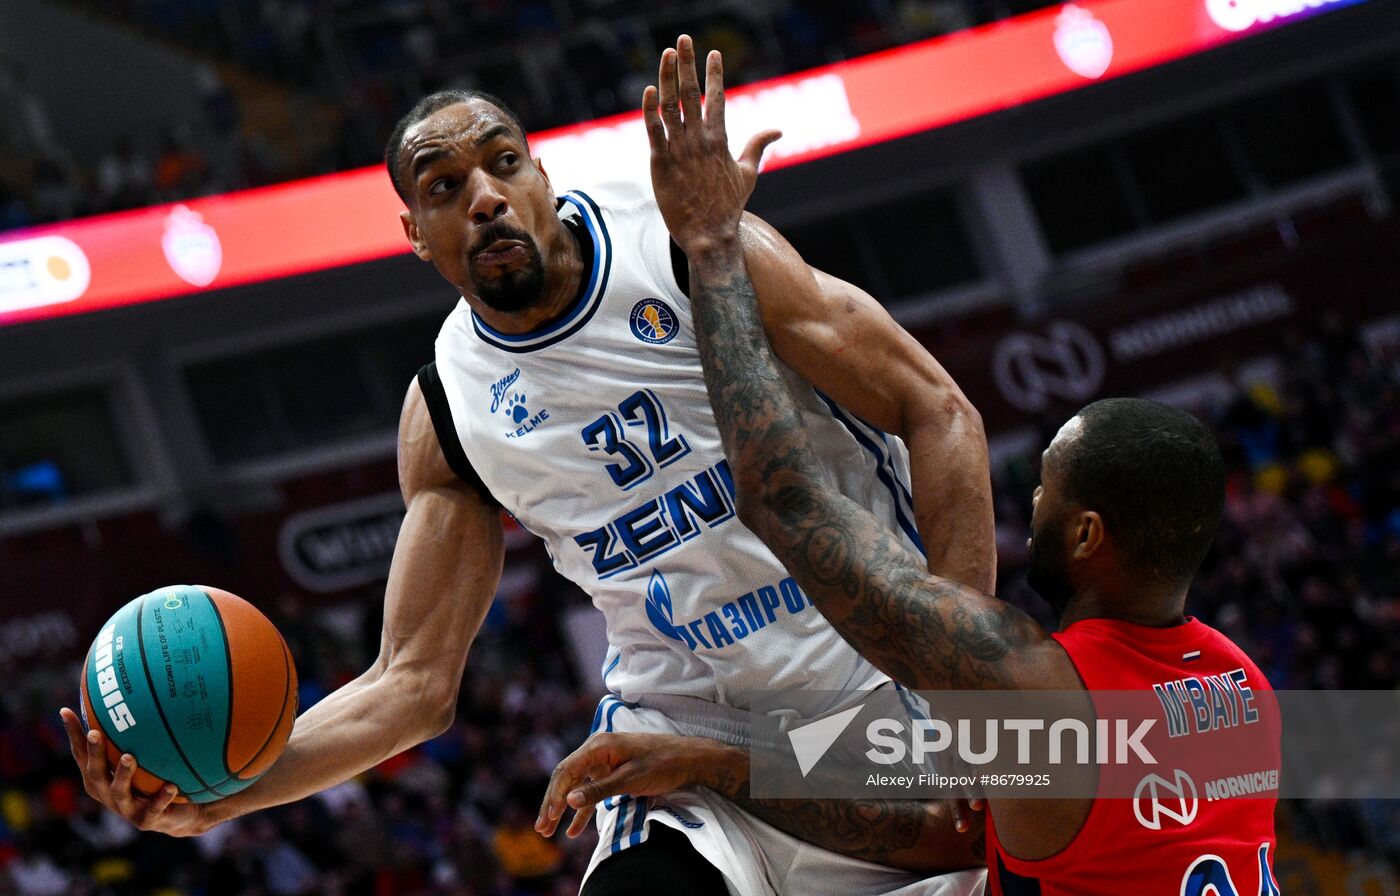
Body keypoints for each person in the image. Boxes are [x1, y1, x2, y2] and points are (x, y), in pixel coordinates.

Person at [61, 36, 991, 896]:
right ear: (416, 234)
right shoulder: (450, 410)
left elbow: (936, 410)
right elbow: (411, 684)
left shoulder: (687, 245)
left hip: (873, 688)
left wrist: (962, 675)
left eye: (503, 163)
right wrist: (217, 799)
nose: (483, 196)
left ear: (543, 175)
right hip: (681, 725)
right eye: (443, 186)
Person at [539, 45, 1282, 895]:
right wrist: (709, 759)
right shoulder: (1241, 687)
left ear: (1086, 533)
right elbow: (955, 829)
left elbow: (780, 501)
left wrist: (710, 245)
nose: (1030, 499)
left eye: (1047, 487)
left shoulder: (1037, 696)